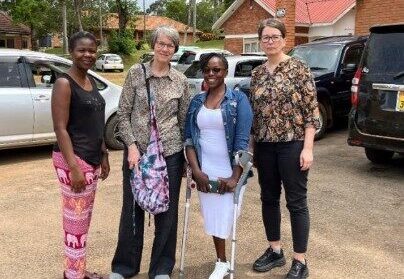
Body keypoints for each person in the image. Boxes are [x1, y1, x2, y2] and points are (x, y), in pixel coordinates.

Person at [110, 25, 190, 279]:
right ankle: (124, 267)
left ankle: (161, 268)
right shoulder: (136, 73)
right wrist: (131, 147)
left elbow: (183, 120)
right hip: (138, 155)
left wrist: (188, 157)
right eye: (161, 43)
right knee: (132, 210)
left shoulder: (181, 81)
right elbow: (123, 114)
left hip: (170, 155)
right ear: (153, 45)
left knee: (167, 213)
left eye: (170, 45)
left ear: (175, 49)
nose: (165, 48)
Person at [249, 19, 320, 279]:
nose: (270, 41)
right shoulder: (256, 73)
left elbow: (311, 112)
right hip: (265, 146)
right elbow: (254, 115)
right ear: (260, 41)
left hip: (293, 144)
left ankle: (300, 260)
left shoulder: (299, 68)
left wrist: (308, 148)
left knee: (296, 202)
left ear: (284, 39)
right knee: (268, 198)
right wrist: (252, 147)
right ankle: (275, 250)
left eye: (275, 36)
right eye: (265, 37)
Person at [184, 53, 253, 279]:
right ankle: (221, 261)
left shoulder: (237, 100)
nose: (212, 74)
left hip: (230, 169)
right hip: (205, 169)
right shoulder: (197, 101)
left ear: (225, 72)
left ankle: (224, 261)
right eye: (208, 70)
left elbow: (243, 141)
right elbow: (190, 140)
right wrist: (196, 171)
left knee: (225, 216)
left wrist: (235, 177)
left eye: (217, 70)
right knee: (212, 216)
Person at [51, 31, 110, 279]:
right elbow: (60, 128)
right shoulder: (65, 83)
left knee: (82, 222)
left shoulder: (90, 80)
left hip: (91, 158)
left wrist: (104, 153)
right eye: (82, 50)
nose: (88, 55)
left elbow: (95, 122)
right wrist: (74, 167)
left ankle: (77, 270)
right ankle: (73, 275)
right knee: (74, 223)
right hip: (74, 160)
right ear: (71, 52)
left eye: (92, 50)